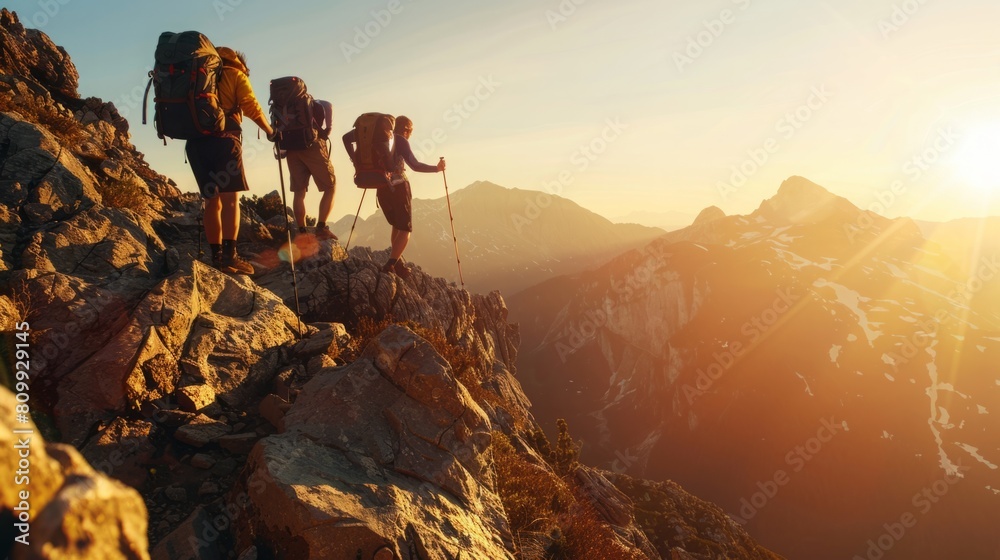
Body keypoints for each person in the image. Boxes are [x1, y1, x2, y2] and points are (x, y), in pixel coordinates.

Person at [185, 47, 273, 275]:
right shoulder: (236, 74)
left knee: (211, 201)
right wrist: (269, 130)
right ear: (240, 63)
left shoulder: (197, 73)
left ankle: (216, 257)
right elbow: (250, 105)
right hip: (225, 142)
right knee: (230, 200)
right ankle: (230, 258)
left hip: (195, 144)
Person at [343, 115, 445, 279]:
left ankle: (397, 263)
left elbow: (345, 138)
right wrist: (436, 168)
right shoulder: (401, 140)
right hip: (399, 188)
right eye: (410, 131)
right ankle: (391, 264)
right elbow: (415, 165)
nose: (409, 134)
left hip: (381, 187)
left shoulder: (377, 137)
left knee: (396, 225)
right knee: (405, 228)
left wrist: (355, 160)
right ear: (406, 129)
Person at [286, 99, 338, 240]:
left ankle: (301, 231)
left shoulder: (288, 106)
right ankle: (321, 228)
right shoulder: (323, 104)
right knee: (330, 186)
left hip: (291, 148)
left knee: (299, 191)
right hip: (312, 144)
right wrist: (325, 132)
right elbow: (328, 128)